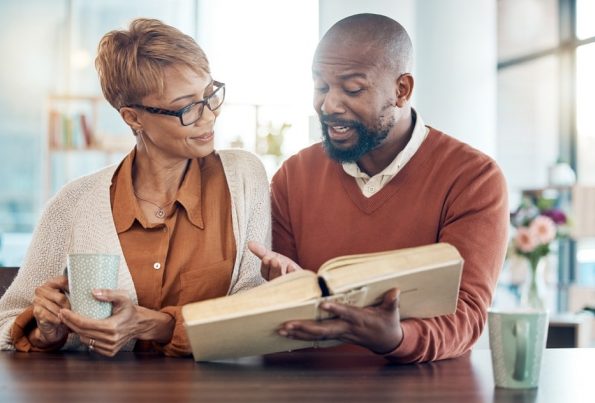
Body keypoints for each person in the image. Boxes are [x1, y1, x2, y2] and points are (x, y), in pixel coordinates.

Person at [0, 19, 270, 357]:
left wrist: (153, 324)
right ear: (133, 118)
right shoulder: (73, 204)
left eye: (209, 94)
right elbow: (6, 324)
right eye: (187, 107)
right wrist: (48, 331)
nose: (208, 116)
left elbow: (256, 312)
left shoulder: (245, 177)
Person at [249, 13, 509, 363]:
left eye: (353, 89)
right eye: (321, 86)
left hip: (421, 387)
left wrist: (396, 338)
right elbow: (276, 318)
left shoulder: (473, 178)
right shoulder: (294, 176)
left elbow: (467, 313)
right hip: (309, 386)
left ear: (402, 90)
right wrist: (288, 292)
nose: (329, 106)